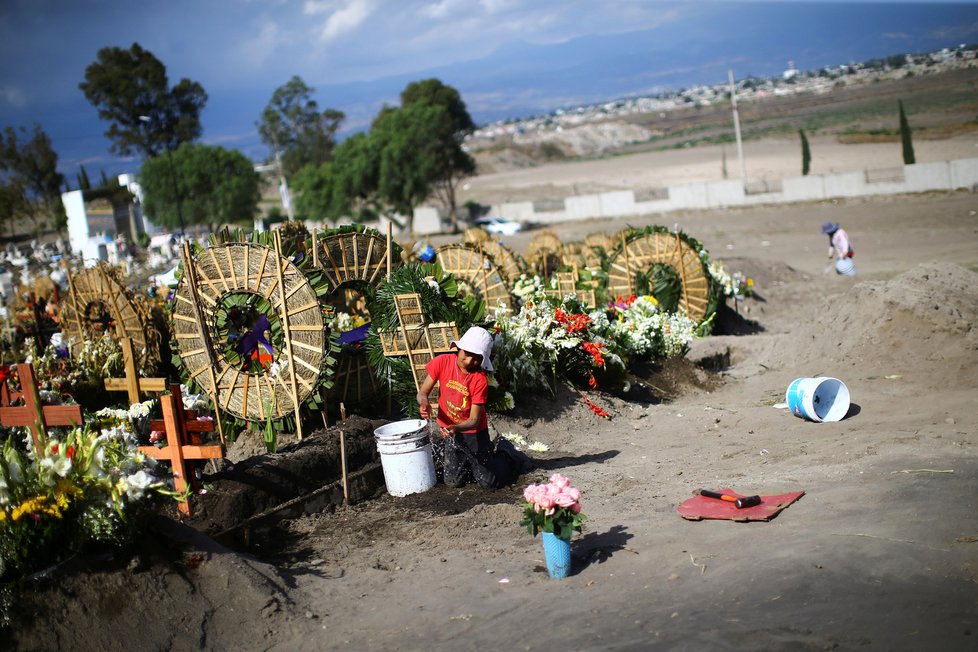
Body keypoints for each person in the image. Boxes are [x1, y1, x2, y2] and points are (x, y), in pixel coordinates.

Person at [417, 326, 516, 489]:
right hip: (450, 432)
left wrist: (455, 427)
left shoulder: (479, 380)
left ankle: (505, 450)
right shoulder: (442, 362)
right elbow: (422, 392)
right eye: (467, 354)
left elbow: (474, 420)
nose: (470, 361)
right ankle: (468, 461)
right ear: (459, 348)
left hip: (474, 433)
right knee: (453, 482)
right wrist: (424, 402)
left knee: (488, 483)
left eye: (477, 358)